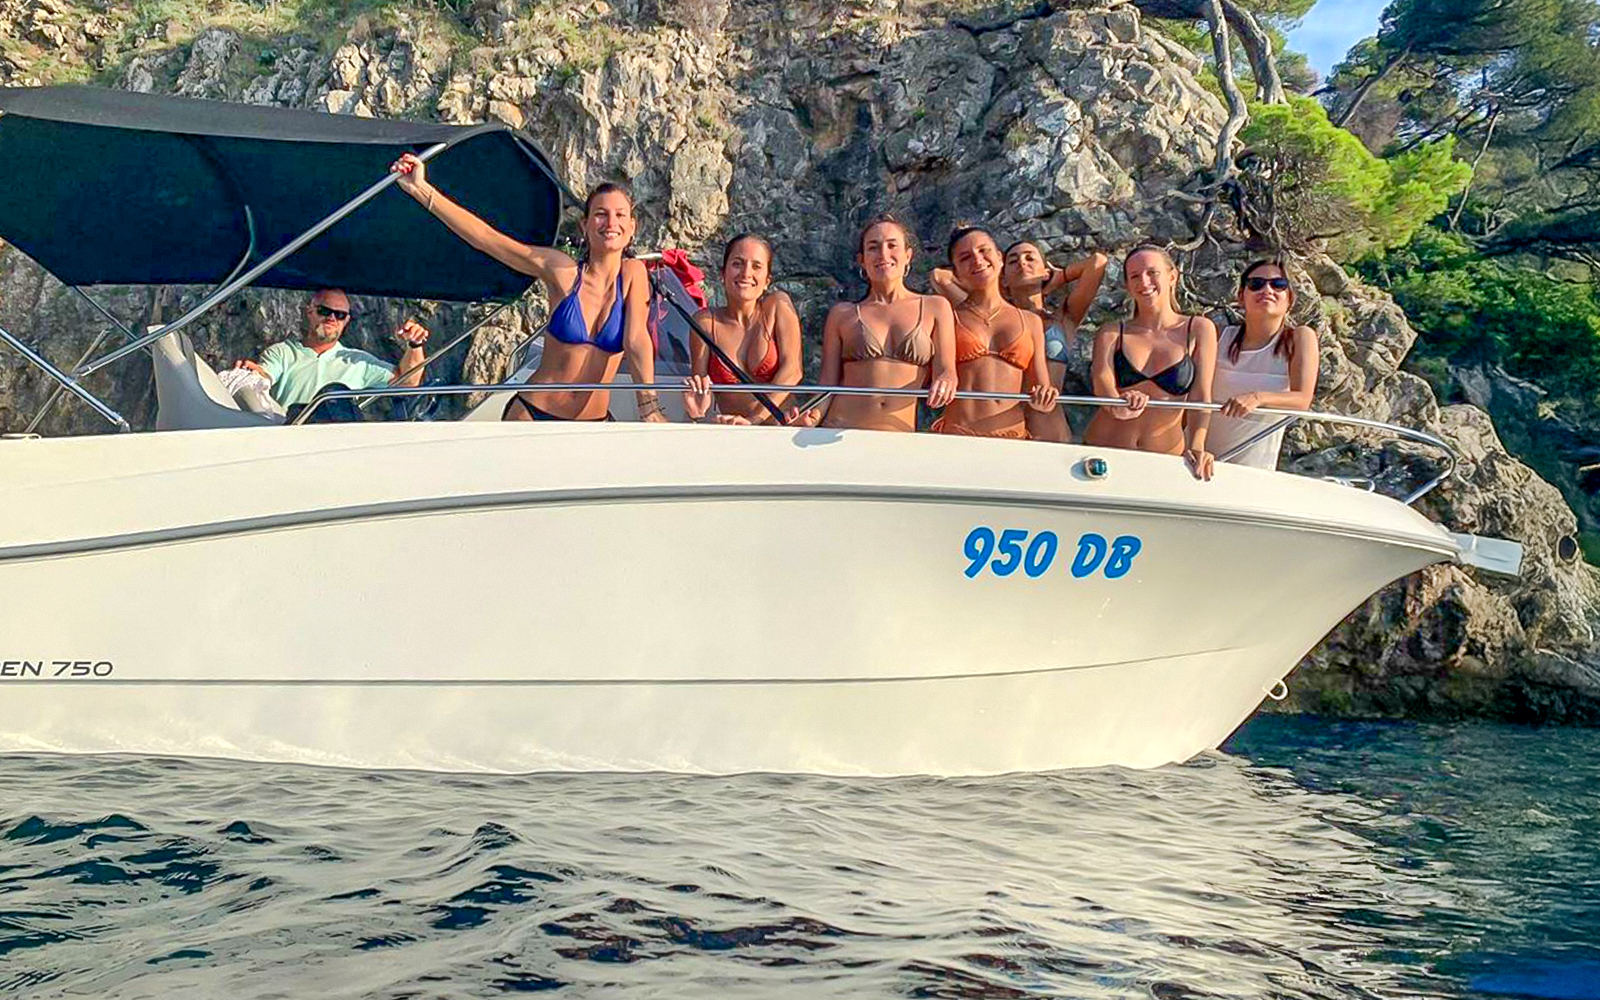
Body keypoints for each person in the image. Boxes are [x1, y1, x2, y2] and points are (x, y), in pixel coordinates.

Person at [391, 154, 664, 422]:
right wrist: (420, 189)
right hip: (532, 415)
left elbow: (636, 341)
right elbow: (488, 240)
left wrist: (649, 409)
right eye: (601, 214)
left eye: (620, 215)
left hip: (592, 425)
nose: (611, 223)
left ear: (632, 227)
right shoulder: (562, 271)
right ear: (585, 225)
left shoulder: (633, 274)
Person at [792, 215, 956, 431]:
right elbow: (827, 385)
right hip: (839, 430)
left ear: (908, 255)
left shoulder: (936, 307)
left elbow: (946, 370)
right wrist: (811, 418)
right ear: (862, 260)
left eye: (892, 245)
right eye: (873, 247)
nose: (883, 254)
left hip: (897, 436)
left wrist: (946, 381)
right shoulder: (842, 314)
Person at [1083, 246, 1218, 480]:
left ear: (1172, 276)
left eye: (1152, 273)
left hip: (1164, 460)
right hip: (1103, 456)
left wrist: (1197, 446)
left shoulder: (1199, 329)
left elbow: (1201, 395)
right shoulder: (1112, 333)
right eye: (1135, 276)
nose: (1144, 282)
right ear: (1128, 285)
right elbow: (1102, 383)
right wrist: (1117, 405)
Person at [926, 226, 1058, 438]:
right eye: (965, 257)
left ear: (999, 257)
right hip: (957, 435)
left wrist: (1045, 397)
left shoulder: (1031, 321)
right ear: (956, 272)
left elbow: (1042, 391)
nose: (977, 260)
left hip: (1012, 438)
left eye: (983, 250)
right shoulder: (948, 317)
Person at [234, 288, 430, 421]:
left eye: (340, 315)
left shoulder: (359, 361)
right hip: (291, 438)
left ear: (347, 321)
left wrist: (415, 344)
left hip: (338, 443)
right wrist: (254, 373)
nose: (332, 318)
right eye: (324, 311)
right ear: (310, 311)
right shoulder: (282, 352)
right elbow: (264, 375)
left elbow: (408, 383)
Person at [1210, 260, 1319, 469]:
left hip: (1254, 467)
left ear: (1290, 298)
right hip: (1200, 458)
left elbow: (1302, 399)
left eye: (1278, 284)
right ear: (1241, 296)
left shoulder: (1299, 338)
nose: (1267, 290)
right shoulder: (1219, 336)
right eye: (1256, 284)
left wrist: (1258, 398)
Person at [683, 235, 803, 425]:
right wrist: (696, 414)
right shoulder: (705, 322)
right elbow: (700, 393)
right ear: (722, 274)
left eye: (756, 266)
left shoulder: (777, 305)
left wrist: (753, 420)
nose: (746, 273)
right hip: (735, 433)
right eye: (737, 264)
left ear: (767, 281)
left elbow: (793, 370)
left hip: (781, 429)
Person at [1003, 243, 1108, 442]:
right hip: (1004, 426)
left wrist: (1061, 276)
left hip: (1050, 427)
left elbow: (1098, 262)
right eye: (1013, 261)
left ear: (1045, 272)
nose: (1022, 263)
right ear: (1004, 278)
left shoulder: (1063, 319)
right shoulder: (996, 321)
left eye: (1030, 258)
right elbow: (943, 278)